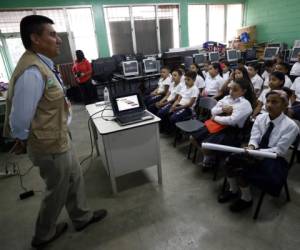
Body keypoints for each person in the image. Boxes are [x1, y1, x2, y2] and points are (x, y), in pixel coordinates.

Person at [3, 15, 107, 248]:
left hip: (59, 137)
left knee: (74, 176)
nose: (58, 40)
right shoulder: (31, 72)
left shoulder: (42, 65)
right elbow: (19, 119)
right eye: (51, 34)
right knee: (57, 189)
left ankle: (81, 217)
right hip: (48, 144)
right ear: (35, 39)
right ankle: (43, 234)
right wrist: (23, 139)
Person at [218, 90, 299, 212]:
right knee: (229, 161)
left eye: (274, 102)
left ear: (284, 105)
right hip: (256, 151)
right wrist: (251, 147)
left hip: (274, 158)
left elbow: (280, 150)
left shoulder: (291, 126)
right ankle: (233, 190)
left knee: (243, 171)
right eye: (268, 101)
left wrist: (258, 153)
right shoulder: (261, 118)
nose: (269, 105)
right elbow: (255, 137)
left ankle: (246, 198)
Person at [191, 79, 254, 169]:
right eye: (230, 89)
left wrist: (215, 117)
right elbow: (213, 111)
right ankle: (209, 157)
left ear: (243, 91)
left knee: (206, 145)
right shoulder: (226, 98)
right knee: (193, 137)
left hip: (231, 131)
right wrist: (222, 109)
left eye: (235, 90)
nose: (231, 92)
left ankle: (209, 158)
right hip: (217, 125)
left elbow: (231, 120)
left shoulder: (245, 104)